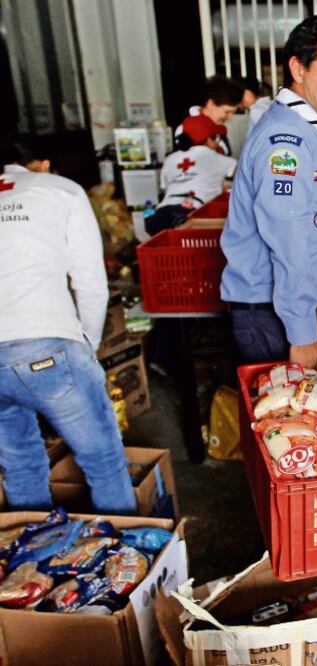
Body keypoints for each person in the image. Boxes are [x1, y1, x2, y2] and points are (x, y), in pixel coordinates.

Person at [0, 135, 136, 515]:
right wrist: (86, 349)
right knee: (104, 462)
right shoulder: (61, 190)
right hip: (47, 346)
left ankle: (34, 564)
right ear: (41, 164)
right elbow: (90, 283)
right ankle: (126, 561)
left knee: (21, 466)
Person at [221, 15, 317, 368]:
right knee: (294, 415)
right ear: (298, 68)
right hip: (276, 314)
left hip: (297, 303)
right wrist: (302, 332)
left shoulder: (308, 129)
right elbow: (288, 237)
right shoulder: (287, 140)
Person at [147, 114, 236, 236]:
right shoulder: (215, 157)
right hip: (188, 215)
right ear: (209, 139)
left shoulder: (170, 159)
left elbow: (165, 187)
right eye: (216, 138)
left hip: (159, 214)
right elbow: (246, 178)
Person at [175, 75, 245, 156]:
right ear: (210, 104)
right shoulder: (184, 128)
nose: (230, 117)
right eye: (227, 112)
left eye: (233, 112)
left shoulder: (219, 128)